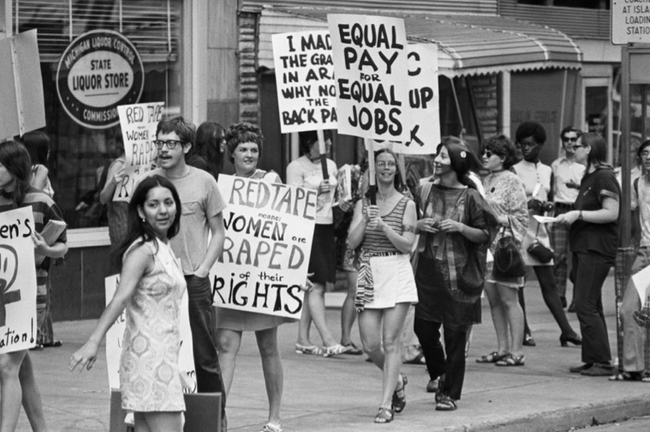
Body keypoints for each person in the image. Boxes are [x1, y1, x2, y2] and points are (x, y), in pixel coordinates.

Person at [70, 175, 186, 432]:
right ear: (140, 211)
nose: (163, 210)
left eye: (168, 202)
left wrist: (176, 369)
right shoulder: (143, 251)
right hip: (149, 362)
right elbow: (120, 298)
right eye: (153, 204)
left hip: (160, 360)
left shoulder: (163, 246)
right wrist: (93, 342)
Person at [147, 116, 228, 420]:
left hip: (193, 282)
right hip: (155, 281)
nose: (164, 149)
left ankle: (215, 422)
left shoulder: (204, 181)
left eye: (171, 143)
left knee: (204, 356)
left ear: (187, 147)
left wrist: (205, 268)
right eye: (160, 143)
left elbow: (218, 231)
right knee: (158, 354)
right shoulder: (149, 183)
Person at [413, 137, 496, 412]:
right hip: (427, 274)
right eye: (437, 155)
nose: (437, 160)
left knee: (455, 336)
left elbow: (486, 234)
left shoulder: (471, 196)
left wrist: (460, 227)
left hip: (460, 278)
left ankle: (449, 393)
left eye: (443, 156)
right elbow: (408, 221)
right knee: (422, 328)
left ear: (457, 163)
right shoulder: (424, 190)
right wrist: (418, 225)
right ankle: (441, 372)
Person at [216, 122, 286, 432]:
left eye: (254, 149)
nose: (249, 154)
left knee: (269, 347)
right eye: (243, 149)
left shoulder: (271, 179)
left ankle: (275, 417)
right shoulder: (221, 187)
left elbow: (285, 227)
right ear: (231, 154)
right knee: (226, 345)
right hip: (233, 277)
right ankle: (219, 415)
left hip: (263, 278)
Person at [0, 139, 68, 432]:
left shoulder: (41, 201)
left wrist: (46, 248)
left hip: (29, 295)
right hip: (2, 298)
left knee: (7, 366)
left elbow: (63, 246)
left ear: (15, 169)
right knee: (21, 367)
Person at [347, 148, 418, 423]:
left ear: (396, 169)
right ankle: (398, 380)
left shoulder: (407, 204)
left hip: (396, 270)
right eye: (381, 164)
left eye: (390, 164)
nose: (386, 168)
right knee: (370, 344)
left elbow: (408, 245)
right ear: (374, 170)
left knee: (391, 341)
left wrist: (385, 227)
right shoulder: (364, 203)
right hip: (369, 272)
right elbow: (352, 243)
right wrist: (366, 220)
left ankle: (385, 404)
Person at [555, 132, 620, 376]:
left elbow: (611, 212)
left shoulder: (604, 176)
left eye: (578, 145)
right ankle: (594, 358)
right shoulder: (589, 176)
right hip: (583, 246)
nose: (573, 148)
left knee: (584, 304)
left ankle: (602, 361)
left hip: (596, 248)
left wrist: (578, 215)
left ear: (589, 149)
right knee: (592, 304)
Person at [513, 121, 581, 348]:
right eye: (522, 144)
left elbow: (550, 197)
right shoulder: (514, 169)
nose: (525, 148)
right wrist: (526, 202)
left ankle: (567, 331)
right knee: (519, 284)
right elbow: (508, 203)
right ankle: (523, 331)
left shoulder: (547, 170)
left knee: (549, 283)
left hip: (540, 233)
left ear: (540, 145)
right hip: (519, 233)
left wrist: (548, 206)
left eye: (530, 144)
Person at [288, 130, 347, 357]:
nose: (329, 144)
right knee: (316, 285)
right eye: (323, 140)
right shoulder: (296, 167)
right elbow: (292, 198)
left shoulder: (331, 165)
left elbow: (334, 198)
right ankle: (327, 339)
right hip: (306, 226)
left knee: (315, 285)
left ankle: (303, 339)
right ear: (310, 143)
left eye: (329, 139)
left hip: (326, 224)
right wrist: (314, 190)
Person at [476, 135, 529, 367]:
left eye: (490, 153)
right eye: (484, 152)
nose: (484, 157)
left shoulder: (512, 180)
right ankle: (502, 348)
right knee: (493, 299)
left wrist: (499, 218)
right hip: (486, 246)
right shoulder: (483, 180)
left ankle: (517, 351)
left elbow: (522, 217)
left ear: (504, 157)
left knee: (509, 299)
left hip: (504, 247)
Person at [612, 139, 650, 381]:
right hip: (644, 253)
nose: (649, 157)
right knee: (629, 309)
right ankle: (633, 367)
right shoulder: (638, 183)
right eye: (645, 153)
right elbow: (633, 219)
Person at [22, 131, 60, 349]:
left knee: (43, 285)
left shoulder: (22, 172)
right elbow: (35, 193)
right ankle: (35, 334)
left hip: (36, 228)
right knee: (40, 287)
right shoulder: (40, 170)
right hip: (41, 230)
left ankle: (45, 334)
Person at [550, 127, 585, 311]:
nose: (570, 143)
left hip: (579, 212)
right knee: (558, 256)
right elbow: (551, 192)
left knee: (579, 256)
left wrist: (578, 186)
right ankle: (559, 296)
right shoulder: (556, 165)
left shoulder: (585, 165)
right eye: (566, 139)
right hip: (560, 211)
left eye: (573, 139)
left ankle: (577, 298)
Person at [334, 162, 364, 355]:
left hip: (379, 243)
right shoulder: (352, 174)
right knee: (354, 292)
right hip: (354, 240)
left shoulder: (396, 177)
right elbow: (341, 202)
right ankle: (345, 337)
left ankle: (373, 343)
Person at [98, 136, 129, 255]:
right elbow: (103, 198)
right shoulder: (118, 165)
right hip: (121, 225)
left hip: (136, 224)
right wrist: (113, 182)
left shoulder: (141, 165)